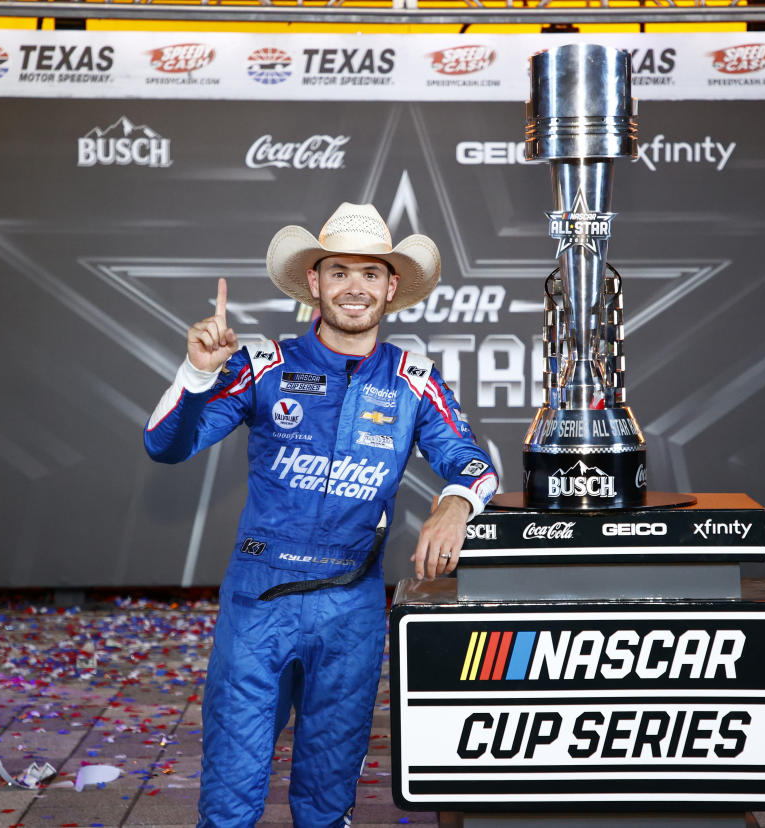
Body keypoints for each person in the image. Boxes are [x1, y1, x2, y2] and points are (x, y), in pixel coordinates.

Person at [143, 202, 499, 827]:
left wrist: (452, 505)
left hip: (351, 607)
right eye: (339, 273)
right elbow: (165, 446)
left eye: (370, 274)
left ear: (392, 286)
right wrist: (197, 373)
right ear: (314, 281)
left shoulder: (414, 379)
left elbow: (474, 464)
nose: (354, 288)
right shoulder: (263, 365)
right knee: (230, 796)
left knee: (327, 800)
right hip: (259, 600)